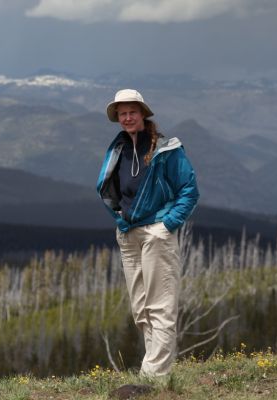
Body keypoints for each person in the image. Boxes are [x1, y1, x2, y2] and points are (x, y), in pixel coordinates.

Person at [96, 89, 199, 377]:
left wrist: (165, 227)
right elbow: (110, 190)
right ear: (117, 117)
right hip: (128, 234)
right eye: (122, 113)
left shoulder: (166, 149)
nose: (127, 117)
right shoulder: (118, 149)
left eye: (132, 111)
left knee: (160, 306)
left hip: (156, 233)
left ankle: (153, 376)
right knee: (141, 308)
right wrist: (119, 218)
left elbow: (189, 191)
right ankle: (158, 373)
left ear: (143, 113)